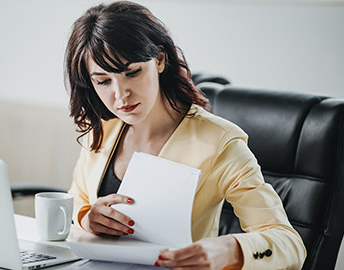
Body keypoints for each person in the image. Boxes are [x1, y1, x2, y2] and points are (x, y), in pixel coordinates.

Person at [65, 1, 306, 269]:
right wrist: (88, 218)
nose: (120, 95)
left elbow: (290, 244)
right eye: (103, 81)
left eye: (131, 73)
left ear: (159, 59)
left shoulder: (218, 142)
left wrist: (230, 249)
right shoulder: (103, 129)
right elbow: (75, 204)